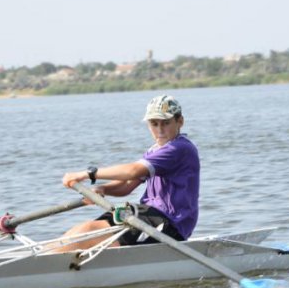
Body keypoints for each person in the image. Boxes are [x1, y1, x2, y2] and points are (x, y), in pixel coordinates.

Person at [59, 95, 200, 251]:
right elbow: (127, 186)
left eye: (166, 123)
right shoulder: (154, 151)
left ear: (180, 122)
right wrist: (104, 189)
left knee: (87, 232)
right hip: (149, 215)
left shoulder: (179, 148)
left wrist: (87, 174)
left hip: (170, 223)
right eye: (154, 124)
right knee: (84, 230)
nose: (160, 130)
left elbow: (132, 172)